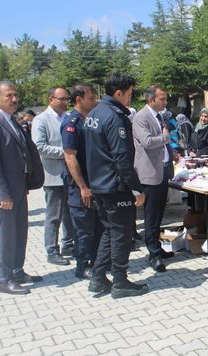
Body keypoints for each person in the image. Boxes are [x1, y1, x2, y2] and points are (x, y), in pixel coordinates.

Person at [83, 72, 148, 299]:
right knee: (121, 234)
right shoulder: (115, 117)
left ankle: (98, 277)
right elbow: (122, 158)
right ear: (118, 93)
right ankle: (120, 282)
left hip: (99, 185)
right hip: (115, 186)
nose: (131, 99)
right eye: (129, 94)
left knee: (109, 232)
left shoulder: (94, 113)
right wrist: (136, 188)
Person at [0, 81, 43, 295]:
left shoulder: (11, 120)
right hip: (4, 192)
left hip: (18, 187)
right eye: (9, 96)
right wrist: (2, 193)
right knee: (6, 236)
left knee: (19, 232)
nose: (14, 99)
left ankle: (17, 270)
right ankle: (4, 279)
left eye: (15, 95)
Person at [132, 84, 176, 273]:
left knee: (159, 215)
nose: (165, 102)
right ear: (151, 99)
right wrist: (166, 138)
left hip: (163, 171)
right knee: (151, 217)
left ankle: (157, 246)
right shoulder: (141, 117)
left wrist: (171, 151)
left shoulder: (160, 116)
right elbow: (148, 142)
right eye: (162, 98)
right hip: (149, 174)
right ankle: (153, 255)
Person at [61, 83, 101, 279]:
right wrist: (83, 187)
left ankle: (96, 262)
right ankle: (82, 265)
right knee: (83, 228)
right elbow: (70, 156)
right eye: (91, 97)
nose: (94, 101)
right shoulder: (72, 123)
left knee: (95, 226)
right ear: (79, 99)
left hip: (95, 184)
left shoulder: (90, 120)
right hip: (80, 187)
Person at [33, 87, 74, 266]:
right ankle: (52, 250)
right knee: (54, 215)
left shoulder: (69, 117)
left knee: (70, 214)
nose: (65, 102)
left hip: (71, 174)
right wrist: (65, 153)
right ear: (51, 99)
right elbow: (40, 146)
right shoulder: (41, 120)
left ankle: (68, 244)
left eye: (67, 99)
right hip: (53, 175)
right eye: (61, 99)